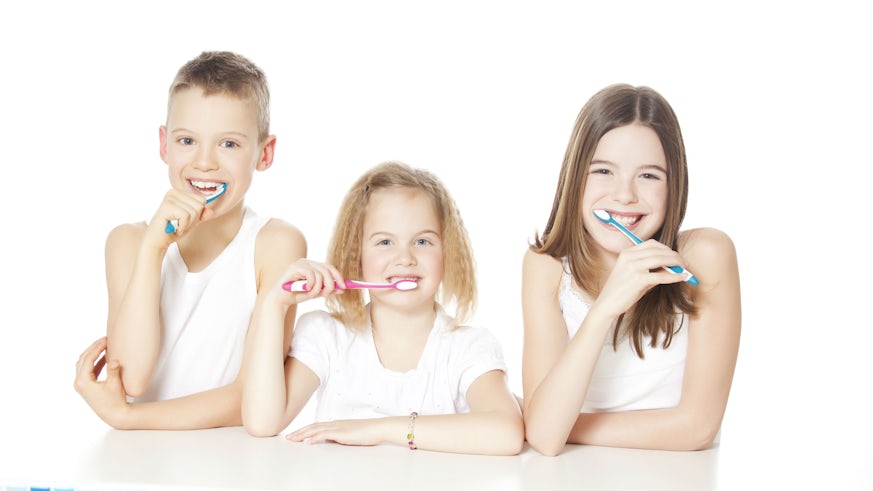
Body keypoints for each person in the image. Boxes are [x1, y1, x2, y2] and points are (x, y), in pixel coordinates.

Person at [73, 51, 306, 429]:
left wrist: (128, 417)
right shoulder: (128, 242)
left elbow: (253, 397)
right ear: (164, 145)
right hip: (138, 457)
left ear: (264, 153)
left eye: (229, 144)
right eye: (187, 140)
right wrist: (153, 249)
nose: (205, 162)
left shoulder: (276, 245)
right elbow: (130, 379)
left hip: (233, 458)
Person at [241, 161, 524, 455]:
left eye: (423, 241)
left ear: (447, 252)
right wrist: (273, 304)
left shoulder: (468, 347)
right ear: (356, 254)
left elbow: (506, 433)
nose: (405, 258)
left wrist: (379, 430)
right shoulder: (326, 335)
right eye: (385, 241)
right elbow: (262, 422)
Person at [521, 84, 741, 455]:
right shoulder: (546, 266)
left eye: (649, 176)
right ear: (575, 177)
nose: (624, 195)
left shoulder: (706, 256)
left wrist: (559, 424)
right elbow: (544, 439)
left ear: (674, 185)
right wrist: (605, 308)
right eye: (603, 170)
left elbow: (697, 428)